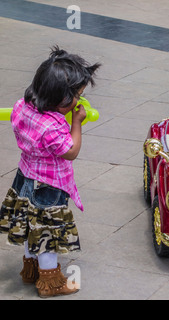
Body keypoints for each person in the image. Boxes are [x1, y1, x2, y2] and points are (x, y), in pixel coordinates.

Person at [0, 46, 100, 297]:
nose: (78, 100)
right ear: (60, 98)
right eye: (76, 96)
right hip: (49, 186)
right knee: (48, 234)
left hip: (25, 177)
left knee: (29, 226)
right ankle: (50, 283)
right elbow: (71, 151)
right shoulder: (52, 128)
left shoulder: (22, 106)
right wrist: (76, 122)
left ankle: (30, 271)